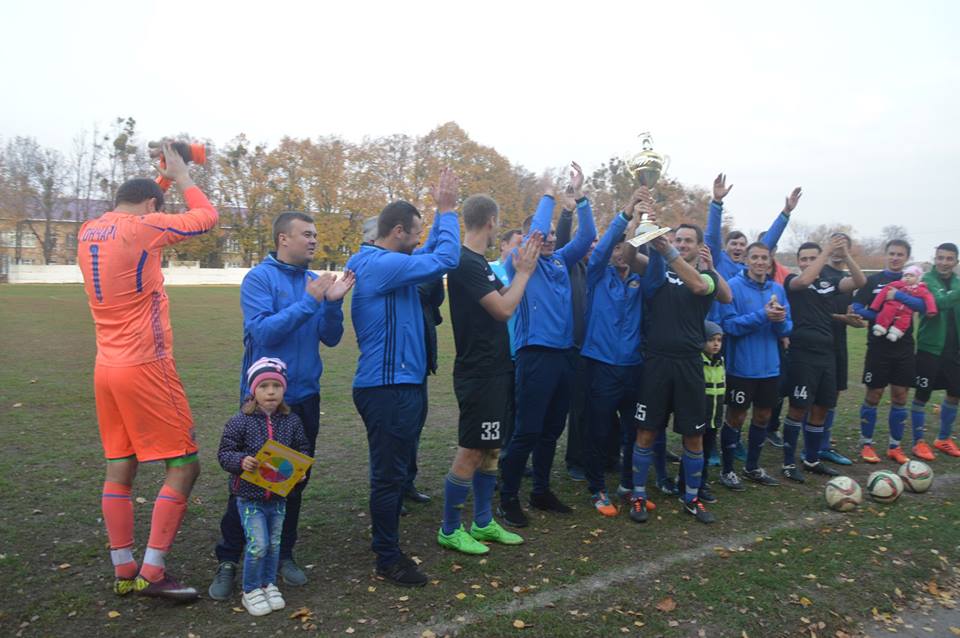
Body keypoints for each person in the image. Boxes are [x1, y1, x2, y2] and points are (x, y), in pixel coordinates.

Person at [77, 142, 218, 599]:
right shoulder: (143, 228)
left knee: (121, 463)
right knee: (185, 464)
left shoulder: (89, 229)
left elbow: (142, 208)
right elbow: (205, 217)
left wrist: (161, 177)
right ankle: (153, 572)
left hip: (106, 366)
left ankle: (124, 566)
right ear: (152, 207)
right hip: (146, 365)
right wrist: (183, 176)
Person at [209, 212, 354, 598]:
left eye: (315, 234)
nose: (313, 240)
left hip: (303, 401)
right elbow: (264, 332)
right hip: (262, 404)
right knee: (248, 481)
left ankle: (283, 553)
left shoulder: (314, 281)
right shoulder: (259, 279)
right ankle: (229, 558)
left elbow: (331, 337)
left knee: (292, 480)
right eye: (306, 234)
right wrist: (310, 301)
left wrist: (333, 304)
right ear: (282, 239)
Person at [347, 168, 461, 587]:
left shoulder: (387, 261)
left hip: (398, 384)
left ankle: (388, 544)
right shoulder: (381, 265)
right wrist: (447, 210)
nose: (418, 241)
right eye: (414, 234)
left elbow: (427, 253)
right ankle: (387, 557)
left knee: (393, 474)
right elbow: (446, 259)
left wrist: (437, 219)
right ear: (397, 232)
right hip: (388, 388)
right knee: (388, 475)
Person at [437, 194, 542, 555]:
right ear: (491, 221)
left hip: (496, 368)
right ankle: (450, 528)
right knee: (471, 450)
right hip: (478, 373)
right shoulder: (466, 262)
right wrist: (524, 273)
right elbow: (503, 309)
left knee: (491, 448)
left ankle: (482, 522)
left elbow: (505, 294)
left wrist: (521, 271)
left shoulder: (479, 262)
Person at [497, 163, 597, 528]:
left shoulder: (559, 261)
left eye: (555, 233)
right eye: (545, 234)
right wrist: (549, 195)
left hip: (565, 355)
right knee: (527, 430)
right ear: (528, 240)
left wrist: (580, 197)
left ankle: (540, 490)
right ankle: (507, 497)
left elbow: (588, 237)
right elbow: (537, 231)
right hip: (535, 355)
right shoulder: (521, 262)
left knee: (552, 430)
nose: (551, 238)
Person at [630, 223, 730, 525]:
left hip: (689, 365)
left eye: (688, 241)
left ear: (699, 247)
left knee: (694, 435)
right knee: (646, 432)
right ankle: (637, 495)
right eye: (678, 239)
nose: (682, 244)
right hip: (657, 363)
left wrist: (668, 250)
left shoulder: (707, 277)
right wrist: (638, 225)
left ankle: (692, 498)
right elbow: (630, 257)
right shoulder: (658, 269)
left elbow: (701, 287)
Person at [580, 189, 665, 517]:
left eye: (624, 248)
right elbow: (600, 250)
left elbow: (657, 275)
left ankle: (628, 485)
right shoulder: (597, 275)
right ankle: (597, 488)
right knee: (599, 430)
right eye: (616, 247)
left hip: (633, 367)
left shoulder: (640, 283)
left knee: (634, 431)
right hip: (601, 365)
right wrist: (627, 214)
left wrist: (651, 232)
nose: (619, 253)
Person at [217, 358, 309, 616]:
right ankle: (251, 590)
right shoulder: (240, 421)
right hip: (250, 498)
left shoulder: (292, 421)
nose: (271, 392)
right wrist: (241, 461)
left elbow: (302, 448)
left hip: (279, 497)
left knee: (274, 545)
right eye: (264, 386)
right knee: (258, 545)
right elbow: (224, 453)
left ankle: (268, 584)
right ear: (253, 390)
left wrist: (299, 470)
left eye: (277, 386)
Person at [779, 238, 865, 482]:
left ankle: (812, 459)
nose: (808, 262)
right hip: (802, 354)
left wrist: (846, 255)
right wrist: (825, 251)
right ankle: (788, 463)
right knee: (798, 408)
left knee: (821, 408)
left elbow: (860, 281)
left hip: (827, 353)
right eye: (804, 259)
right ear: (798, 262)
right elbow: (805, 280)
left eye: (812, 258)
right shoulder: (793, 281)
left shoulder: (829, 283)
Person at [719, 242, 793, 490]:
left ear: (770, 261)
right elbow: (729, 325)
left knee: (763, 416)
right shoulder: (732, 287)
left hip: (770, 367)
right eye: (755, 257)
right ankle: (728, 470)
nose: (760, 262)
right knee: (736, 417)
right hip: (741, 368)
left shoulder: (778, 289)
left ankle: (752, 467)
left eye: (764, 258)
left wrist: (780, 321)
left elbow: (787, 327)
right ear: (746, 260)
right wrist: (763, 315)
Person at [852, 239, 926, 464]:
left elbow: (923, 307)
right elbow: (857, 307)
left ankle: (895, 446)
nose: (895, 258)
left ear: (907, 257)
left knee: (900, 396)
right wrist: (881, 317)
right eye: (892, 253)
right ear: (886, 255)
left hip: (904, 347)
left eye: (900, 254)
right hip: (878, 347)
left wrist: (900, 298)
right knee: (874, 394)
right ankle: (866, 443)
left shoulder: (913, 282)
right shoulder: (873, 281)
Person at [556, 187, 599, 482]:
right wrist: (568, 211)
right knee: (575, 407)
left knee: (592, 406)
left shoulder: (598, 271)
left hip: (595, 350)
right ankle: (574, 460)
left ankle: (601, 455)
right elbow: (562, 241)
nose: (593, 246)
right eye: (589, 241)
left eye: (597, 242)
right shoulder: (569, 267)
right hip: (571, 348)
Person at [817, 233, 866, 465]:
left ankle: (824, 444)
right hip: (819, 342)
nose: (838, 248)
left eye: (843, 245)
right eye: (834, 243)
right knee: (818, 396)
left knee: (834, 393)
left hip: (839, 342)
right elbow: (813, 313)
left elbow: (860, 283)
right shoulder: (819, 273)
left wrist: (853, 319)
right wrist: (841, 318)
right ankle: (813, 445)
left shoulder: (847, 278)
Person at [911, 242, 960, 459]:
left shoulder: (957, 282)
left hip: (954, 350)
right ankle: (918, 442)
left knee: (955, 394)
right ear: (935, 259)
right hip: (929, 348)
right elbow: (938, 303)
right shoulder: (927, 281)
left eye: (949, 258)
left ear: (956, 261)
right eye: (940, 258)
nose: (944, 262)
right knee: (922, 395)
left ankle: (943, 438)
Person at [677, 321, 725, 504]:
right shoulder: (696, 362)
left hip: (713, 417)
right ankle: (684, 485)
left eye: (719, 340)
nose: (716, 344)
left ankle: (701, 483)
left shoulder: (720, 361)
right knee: (692, 452)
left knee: (705, 453)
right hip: (697, 416)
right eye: (711, 340)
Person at [869, 265, 937, 341]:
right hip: (892, 305)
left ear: (918, 278)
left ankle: (895, 333)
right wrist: (875, 305)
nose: (908, 277)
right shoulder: (897, 284)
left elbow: (929, 298)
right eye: (905, 275)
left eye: (911, 276)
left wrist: (932, 309)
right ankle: (880, 328)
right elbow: (883, 292)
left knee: (905, 321)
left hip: (906, 311)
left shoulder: (921, 289)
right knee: (886, 313)